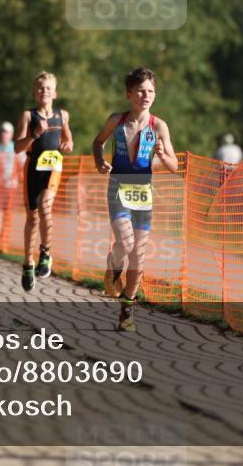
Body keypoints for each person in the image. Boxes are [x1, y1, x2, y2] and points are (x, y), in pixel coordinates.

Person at [92, 67, 178, 332]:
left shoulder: (159, 125)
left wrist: (163, 156)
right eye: (140, 90)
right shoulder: (116, 121)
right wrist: (100, 162)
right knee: (125, 243)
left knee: (139, 255)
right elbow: (98, 143)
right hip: (118, 187)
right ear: (129, 93)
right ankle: (113, 266)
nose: (146, 95)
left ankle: (127, 310)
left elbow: (174, 164)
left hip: (143, 192)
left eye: (151, 91)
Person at [15, 72, 74, 291]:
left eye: (48, 88)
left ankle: (46, 253)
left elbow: (68, 139)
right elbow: (17, 148)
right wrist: (33, 135)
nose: (44, 91)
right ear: (34, 93)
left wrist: (67, 145)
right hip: (33, 168)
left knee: (45, 207)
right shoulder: (28, 117)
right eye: (40, 88)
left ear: (55, 93)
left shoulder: (63, 115)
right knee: (32, 217)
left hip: (53, 167)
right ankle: (28, 263)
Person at [0, 121, 23, 250]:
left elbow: (23, 165)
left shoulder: (16, 149)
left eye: (7, 132)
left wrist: (21, 178)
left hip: (12, 186)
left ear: (11, 134)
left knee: (8, 212)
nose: (4, 134)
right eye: (2, 131)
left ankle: (4, 237)